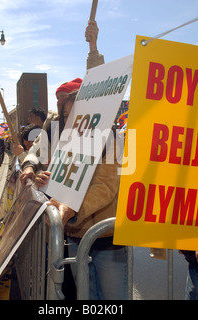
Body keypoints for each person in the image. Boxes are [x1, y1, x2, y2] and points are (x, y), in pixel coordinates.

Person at [35, 91, 128, 300]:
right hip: (77, 237)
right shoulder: (65, 144)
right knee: (87, 297)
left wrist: (74, 209)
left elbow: (105, 186)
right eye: (66, 114)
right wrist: (45, 180)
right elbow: (64, 182)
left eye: (75, 113)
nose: (69, 119)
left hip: (107, 241)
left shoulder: (113, 140)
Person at [19, 19, 105, 186]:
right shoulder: (53, 126)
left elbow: (99, 82)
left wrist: (93, 47)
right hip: (56, 197)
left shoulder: (95, 124)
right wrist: (29, 167)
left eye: (64, 97)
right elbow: (35, 151)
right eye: (57, 98)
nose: (59, 102)